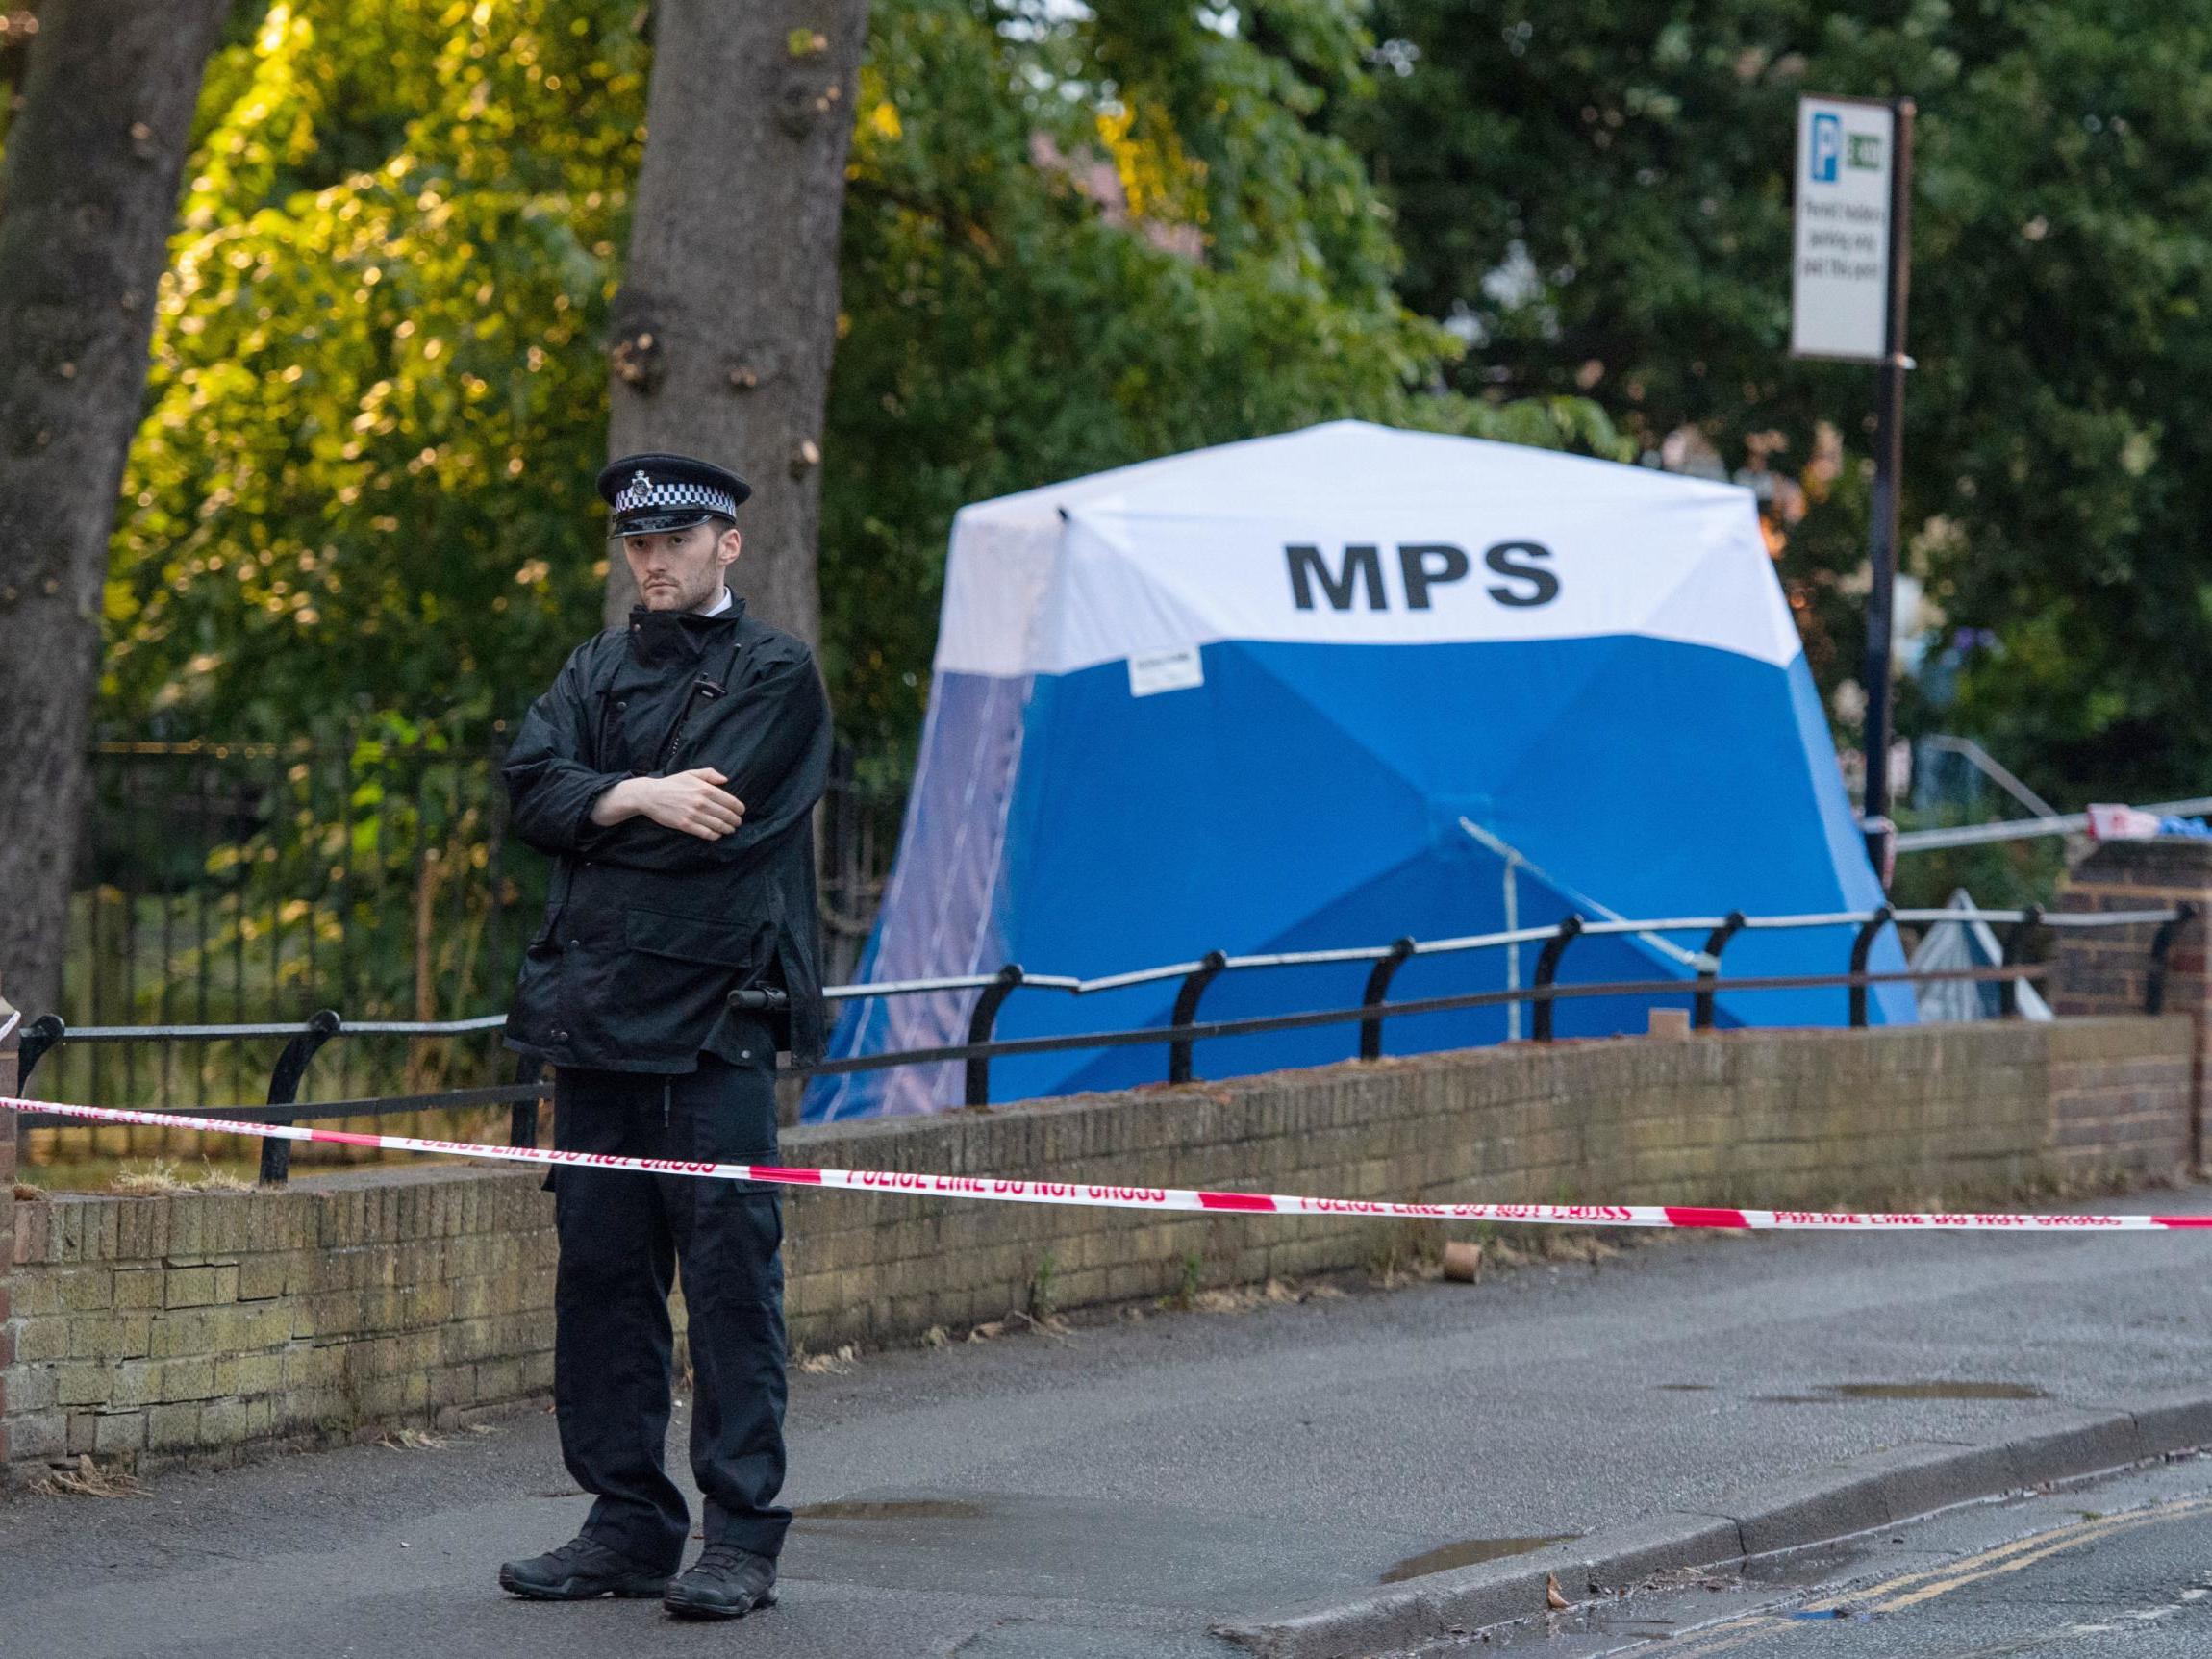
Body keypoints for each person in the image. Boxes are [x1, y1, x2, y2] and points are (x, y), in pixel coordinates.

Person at [494, 452, 831, 1621]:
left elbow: (721, 833)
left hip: (713, 1028)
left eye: (675, 542)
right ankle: (627, 1524)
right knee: (597, 1285)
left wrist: (587, 811)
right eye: (637, 545)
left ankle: (740, 1537)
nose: (652, 561)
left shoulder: (777, 673)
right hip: (591, 1026)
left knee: (732, 1287)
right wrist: (636, 796)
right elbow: (522, 790)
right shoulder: (594, 664)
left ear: (726, 544)